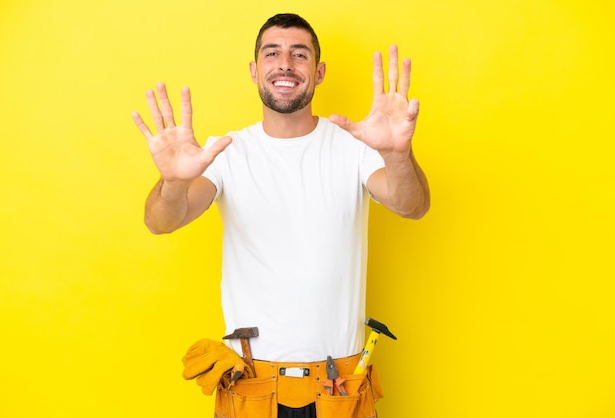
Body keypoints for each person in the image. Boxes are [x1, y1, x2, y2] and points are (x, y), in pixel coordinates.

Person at [132, 13, 429, 418]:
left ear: (319, 72)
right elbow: (161, 220)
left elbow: (411, 205)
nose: (285, 64)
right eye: (272, 53)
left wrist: (398, 155)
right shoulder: (225, 152)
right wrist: (173, 182)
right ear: (255, 70)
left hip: (338, 390)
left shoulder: (353, 148)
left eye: (299, 54)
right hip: (251, 390)